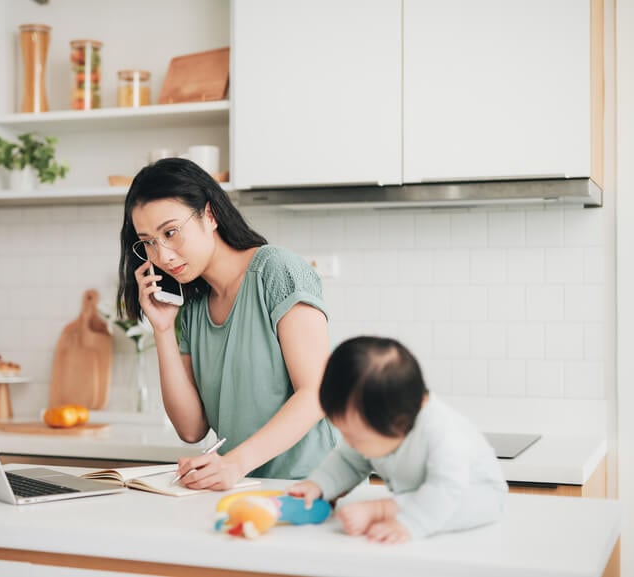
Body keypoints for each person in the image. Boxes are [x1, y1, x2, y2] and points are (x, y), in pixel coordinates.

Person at [117, 158, 337, 490]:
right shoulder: (192, 308)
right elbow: (191, 429)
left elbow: (317, 392)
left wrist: (235, 463)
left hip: (315, 488)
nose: (161, 256)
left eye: (171, 232)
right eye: (148, 241)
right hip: (245, 490)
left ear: (210, 215)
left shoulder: (277, 271)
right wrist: (162, 329)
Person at [288, 336, 508, 543]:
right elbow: (348, 461)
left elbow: (445, 488)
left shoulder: (442, 431)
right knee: (421, 497)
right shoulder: (378, 428)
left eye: (355, 436)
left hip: (475, 495)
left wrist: (406, 521)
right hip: (420, 495)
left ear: (399, 422)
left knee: (455, 502)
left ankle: (384, 508)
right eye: (344, 432)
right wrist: (318, 485)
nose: (348, 442)